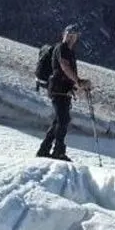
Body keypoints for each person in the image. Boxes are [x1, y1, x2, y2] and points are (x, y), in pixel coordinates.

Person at [37, 24, 91, 161]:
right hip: (58, 89)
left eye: (73, 36)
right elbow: (64, 66)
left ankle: (44, 149)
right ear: (64, 35)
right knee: (63, 120)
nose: (71, 38)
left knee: (59, 120)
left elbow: (66, 71)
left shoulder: (68, 51)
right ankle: (58, 151)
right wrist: (78, 81)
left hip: (62, 90)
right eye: (69, 35)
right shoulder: (62, 48)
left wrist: (75, 84)